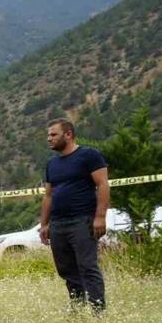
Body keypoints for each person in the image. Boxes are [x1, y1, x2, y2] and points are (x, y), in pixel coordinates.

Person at [40, 118, 110, 312]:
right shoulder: (51, 164)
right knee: (66, 270)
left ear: (68, 134)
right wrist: (44, 224)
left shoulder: (89, 155)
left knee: (87, 266)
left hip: (82, 220)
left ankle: (98, 312)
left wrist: (100, 217)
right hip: (58, 224)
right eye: (48, 135)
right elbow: (48, 195)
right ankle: (77, 309)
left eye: (53, 134)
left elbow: (103, 185)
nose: (49, 139)